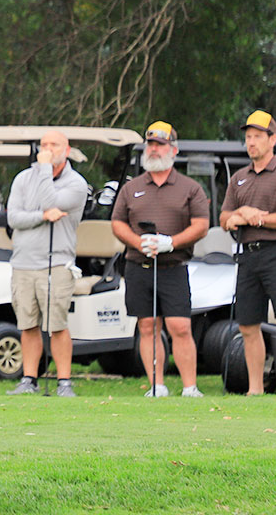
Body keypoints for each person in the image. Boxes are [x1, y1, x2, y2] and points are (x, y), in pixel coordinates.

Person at [110, 122, 209, 397]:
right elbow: (117, 223)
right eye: (150, 145)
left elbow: (201, 225)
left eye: (159, 145)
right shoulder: (132, 188)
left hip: (173, 266)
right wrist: (138, 242)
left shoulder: (189, 187)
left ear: (173, 150)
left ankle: (190, 387)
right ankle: (157, 385)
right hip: (138, 266)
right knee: (147, 325)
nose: (153, 150)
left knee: (180, 326)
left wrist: (171, 243)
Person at [220, 110, 276, 396]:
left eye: (258, 137)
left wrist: (255, 218)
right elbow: (224, 218)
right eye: (248, 137)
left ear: (273, 140)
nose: (252, 142)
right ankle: (255, 390)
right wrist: (236, 217)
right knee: (247, 325)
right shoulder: (239, 178)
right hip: (247, 256)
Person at [5, 130, 90, 397]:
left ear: (67, 150)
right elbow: (14, 218)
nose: (48, 148)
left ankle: (64, 381)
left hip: (57, 263)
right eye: (44, 144)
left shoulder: (76, 183)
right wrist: (42, 216)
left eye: (54, 145)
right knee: (27, 324)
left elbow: (51, 199)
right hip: (23, 263)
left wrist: (43, 169)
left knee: (56, 325)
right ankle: (29, 379)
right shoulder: (22, 179)